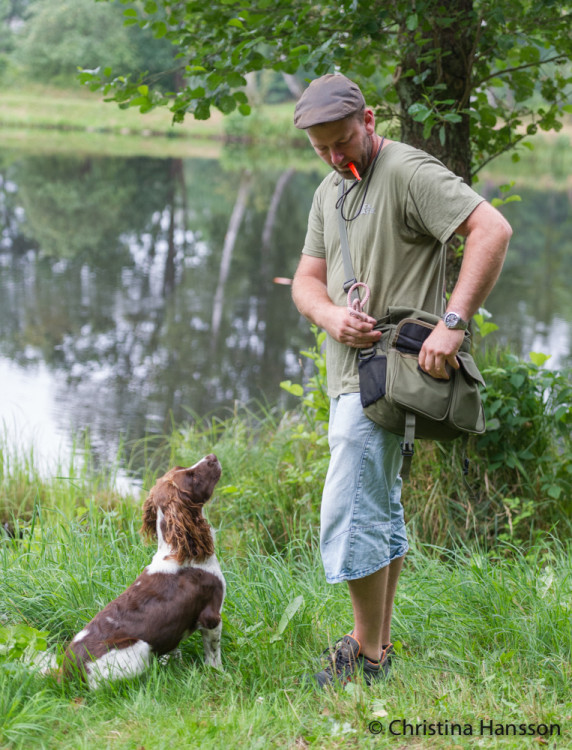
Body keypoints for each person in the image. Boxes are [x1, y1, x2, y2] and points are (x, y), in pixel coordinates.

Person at [291, 73, 512, 688]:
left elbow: (491, 229)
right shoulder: (328, 190)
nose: (336, 157)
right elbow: (307, 282)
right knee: (379, 505)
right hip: (349, 374)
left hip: (393, 374)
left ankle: (362, 653)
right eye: (321, 149)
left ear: (367, 120)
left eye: (342, 141)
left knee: (352, 508)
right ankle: (378, 651)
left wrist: (453, 322)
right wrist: (331, 314)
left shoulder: (407, 171)